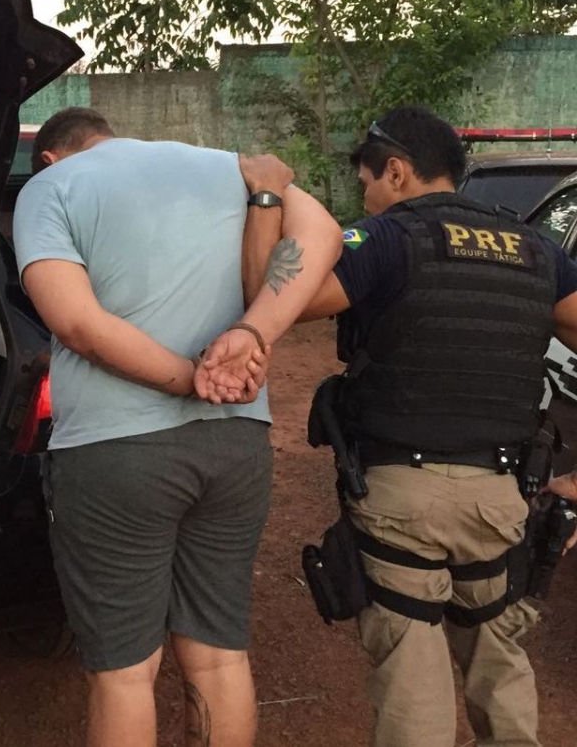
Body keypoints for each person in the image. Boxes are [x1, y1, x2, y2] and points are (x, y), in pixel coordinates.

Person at [241, 105, 577, 747]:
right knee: (500, 667)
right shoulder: (537, 250)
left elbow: (268, 296)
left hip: (402, 499)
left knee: (412, 684)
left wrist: (266, 194)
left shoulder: (386, 239)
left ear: (395, 171)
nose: (366, 198)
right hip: (499, 501)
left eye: (367, 182)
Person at [13, 106, 340, 747]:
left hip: (115, 455)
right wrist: (254, 332)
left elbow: (77, 323)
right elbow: (324, 233)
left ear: (50, 156)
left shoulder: (51, 186)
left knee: (125, 674)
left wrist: (189, 377)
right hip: (236, 443)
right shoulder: (229, 168)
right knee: (219, 657)